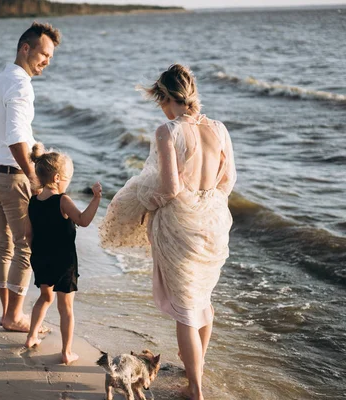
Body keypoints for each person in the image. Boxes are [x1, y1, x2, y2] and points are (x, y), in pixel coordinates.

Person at [99, 64, 237, 400]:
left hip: (180, 227)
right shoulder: (218, 128)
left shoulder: (167, 131)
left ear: (165, 96)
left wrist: (146, 204)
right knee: (203, 304)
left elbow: (170, 188)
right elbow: (228, 181)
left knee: (186, 311)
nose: (159, 107)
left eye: (158, 99)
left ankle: (195, 389)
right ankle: (195, 377)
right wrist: (206, 204)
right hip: (215, 224)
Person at [0, 22, 61, 332]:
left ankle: (7, 312)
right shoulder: (20, 85)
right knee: (27, 247)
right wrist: (33, 177)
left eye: (51, 57)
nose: (47, 61)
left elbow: (6, 133)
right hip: (12, 178)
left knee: (4, 246)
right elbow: (15, 137)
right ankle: (14, 317)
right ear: (24, 48)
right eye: (44, 53)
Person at [24, 143, 102, 365]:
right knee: (65, 307)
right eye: (68, 177)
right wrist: (95, 198)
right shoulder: (63, 201)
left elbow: (27, 233)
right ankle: (66, 352)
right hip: (64, 262)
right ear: (58, 178)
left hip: (40, 258)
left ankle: (31, 336)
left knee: (44, 297)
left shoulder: (33, 201)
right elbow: (83, 221)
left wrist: (36, 253)